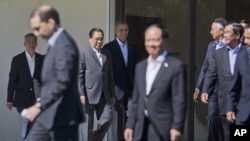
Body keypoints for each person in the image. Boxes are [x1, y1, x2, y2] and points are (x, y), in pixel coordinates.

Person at [22, 5, 84, 141]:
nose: (36, 33)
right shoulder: (54, 43)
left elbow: (61, 80)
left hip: (63, 117)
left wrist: (39, 105)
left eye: (38, 28)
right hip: (49, 115)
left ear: (50, 22)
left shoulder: (64, 44)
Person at [124, 24, 187, 141]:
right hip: (141, 127)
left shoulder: (175, 66)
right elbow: (136, 100)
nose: (151, 44)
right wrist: (129, 126)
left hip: (163, 128)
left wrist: (177, 127)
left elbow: (179, 100)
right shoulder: (140, 67)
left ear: (164, 41)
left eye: (155, 40)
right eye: (148, 40)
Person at [201, 23, 244, 141]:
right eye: (224, 32)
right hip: (225, 101)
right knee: (227, 135)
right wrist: (205, 89)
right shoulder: (218, 54)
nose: (224, 35)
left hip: (243, 102)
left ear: (237, 35)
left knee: (240, 134)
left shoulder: (246, 52)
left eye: (228, 32)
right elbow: (211, 73)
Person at [78, 28, 115, 141]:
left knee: (108, 118)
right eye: (97, 39)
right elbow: (79, 75)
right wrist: (81, 94)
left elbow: (110, 75)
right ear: (90, 39)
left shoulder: (107, 53)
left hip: (104, 94)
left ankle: (94, 139)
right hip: (88, 95)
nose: (99, 41)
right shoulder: (83, 53)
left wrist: (112, 94)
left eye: (101, 39)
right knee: (86, 127)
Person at [193, 18, 227, 141]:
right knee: (212, 119)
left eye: (213, 29)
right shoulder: (211, 46)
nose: (210, 32)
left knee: (225, 123)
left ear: (221, 30)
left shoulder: (231, 45)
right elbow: (205, 67)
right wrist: (199, 88)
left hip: (227, 90)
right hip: (212, 90)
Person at [103, 21, 136, 141]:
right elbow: (106, 72)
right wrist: (109, 92)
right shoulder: (108, 48)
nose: (123, 32)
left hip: (131, 90)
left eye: (125, 30)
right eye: (121, 30)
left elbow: (135, 68)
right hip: (116, 91)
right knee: (117, 123)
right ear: (115, 31)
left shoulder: (133, 47)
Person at [6, 33, 43, 141]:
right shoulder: (17, 60)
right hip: (22, 99)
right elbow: (12, 81)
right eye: (29, 41)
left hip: (37, 100)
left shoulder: (41, 59)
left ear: (36, 44)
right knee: (25, 127)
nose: (32, 43)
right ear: (24, 44)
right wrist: (9, 100)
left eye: (34, 41)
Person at [226, 24, 250, 125]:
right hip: (244, 114)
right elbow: (234, 86)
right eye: (245, 38)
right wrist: (230, 108)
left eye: (249, 38)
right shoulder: (242, 56)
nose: (245, 42)